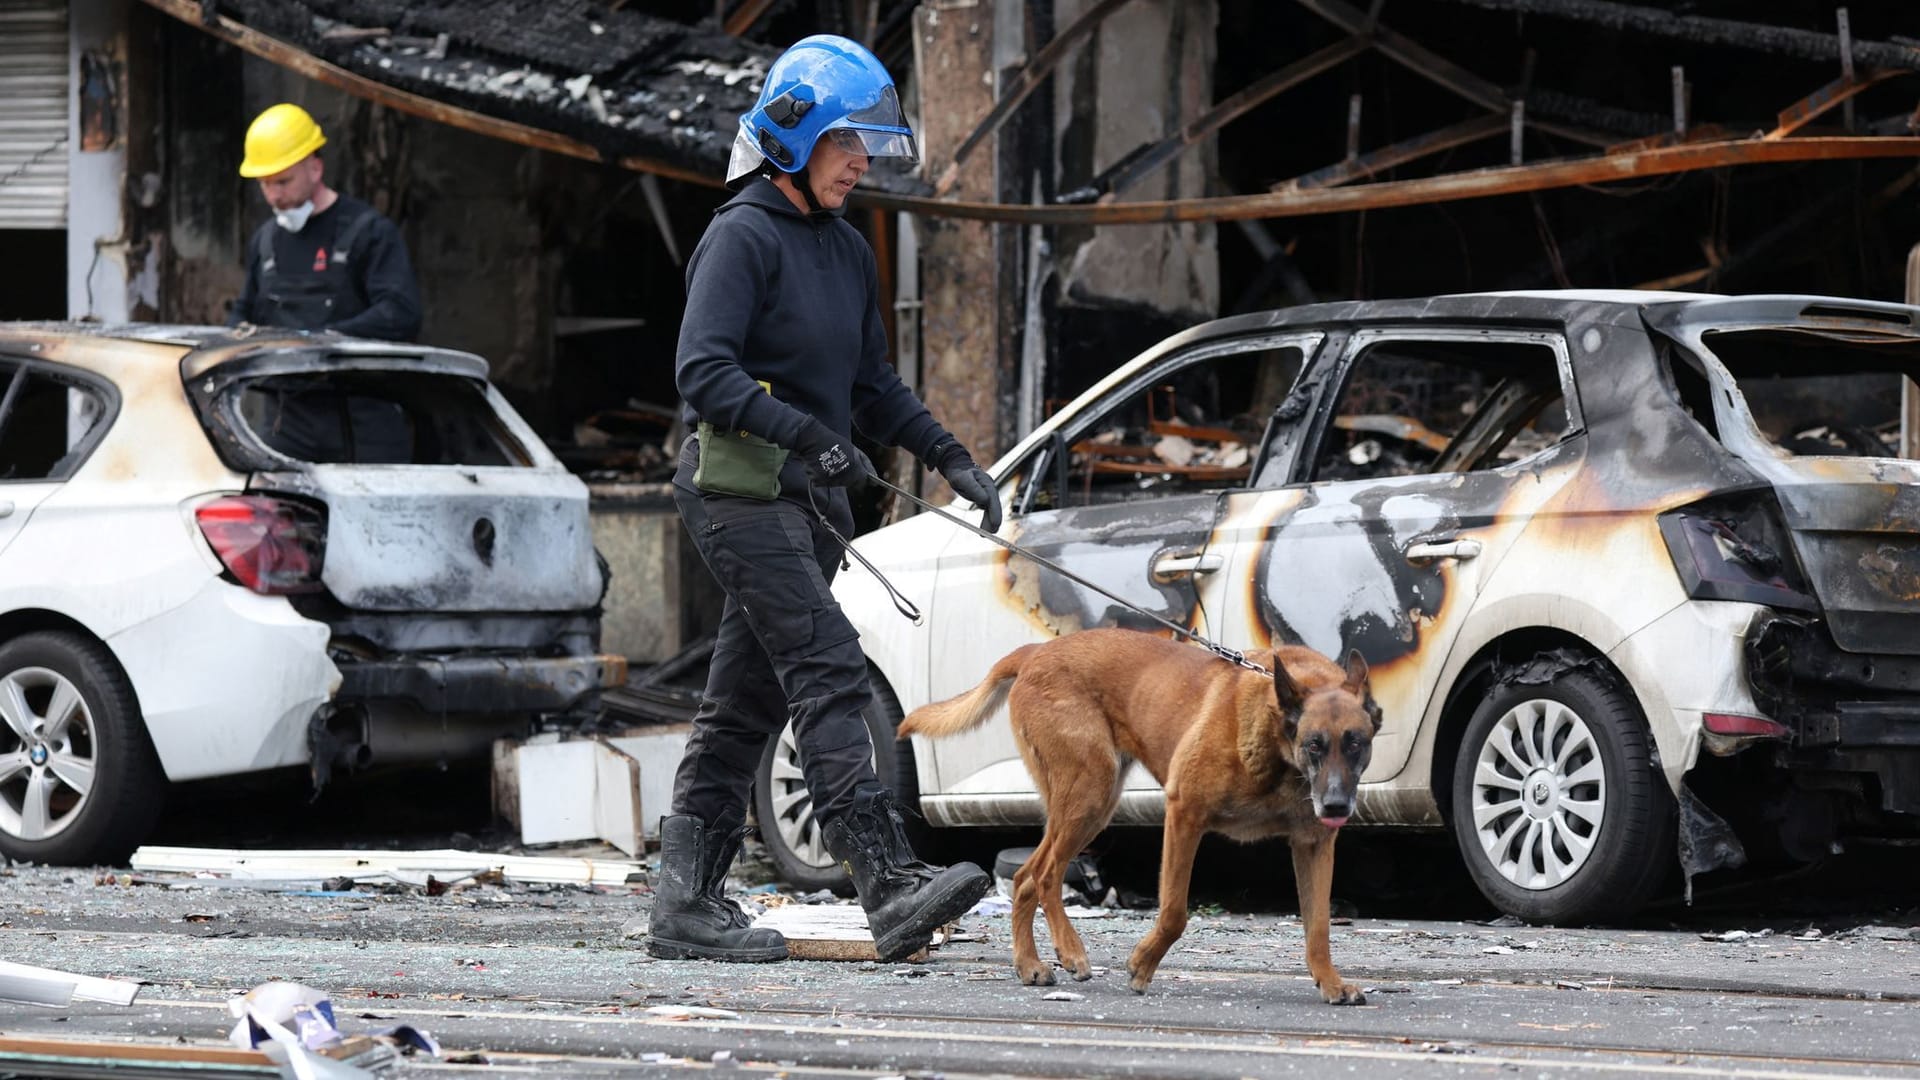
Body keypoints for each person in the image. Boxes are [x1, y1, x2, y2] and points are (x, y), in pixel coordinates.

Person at [648, 34, 1003, 965]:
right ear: (796, 136)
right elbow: (703, 372)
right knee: (829, 666)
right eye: (849, 141)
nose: (862, 161)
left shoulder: (846, 250)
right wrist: (807, 434)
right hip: (736, 496)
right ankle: (886, 883)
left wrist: (951, 458)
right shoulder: (741, 236)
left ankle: (684, 903)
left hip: (811, 507)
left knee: (741, 703)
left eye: (871, 144)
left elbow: (873, 383)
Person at [229, 103, 422, 342]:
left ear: (315, 168)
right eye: (264, 184)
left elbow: (400, 314)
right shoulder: (264, 241)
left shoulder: (370, 233)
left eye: (282, 182)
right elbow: (242, 314)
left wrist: (324, 339)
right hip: (276, 376)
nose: (273, 196)